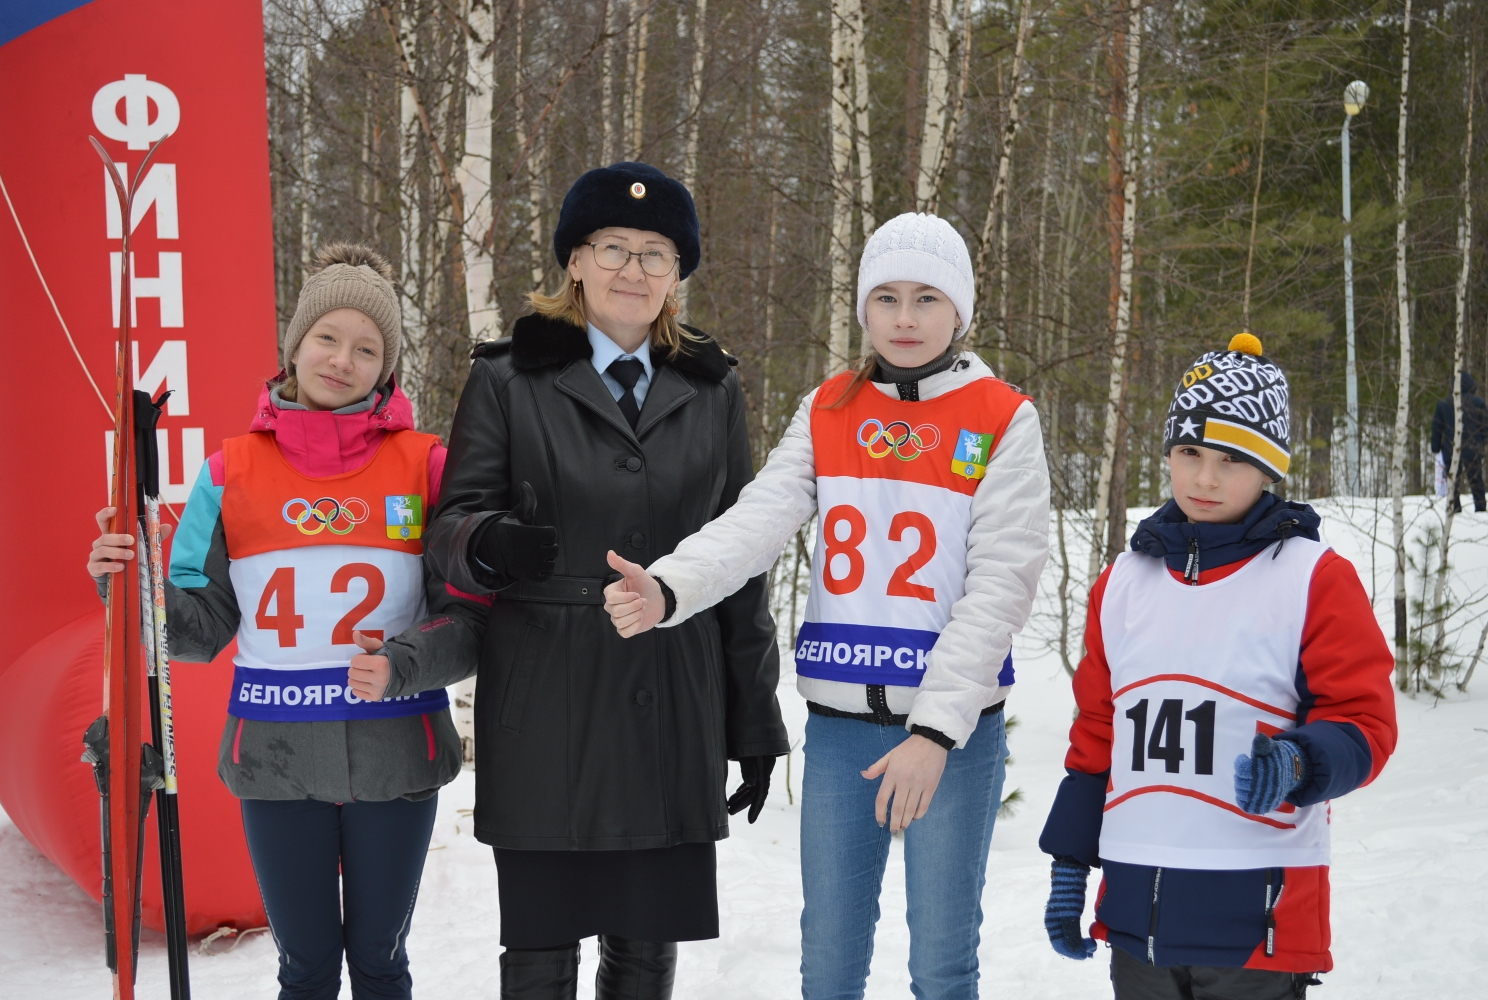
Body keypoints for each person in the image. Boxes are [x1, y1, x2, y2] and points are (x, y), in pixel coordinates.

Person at [604, 212, 1052, 1000]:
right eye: (885, 298)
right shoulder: (828, 409)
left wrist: (935, 730)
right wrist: (670, 584)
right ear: (863, 308)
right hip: (843, 733)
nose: (905, 319)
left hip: (951, 740)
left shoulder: (1001, 417)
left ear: (961, 312)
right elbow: (757, 519)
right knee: (829, 964)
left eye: (926, 299)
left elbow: (999, 588)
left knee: (943, 968)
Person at [404, 161, 789, 1000]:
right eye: (613, 246)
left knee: (647, 943)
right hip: (549, 695)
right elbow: (450, 529)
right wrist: (494, 541)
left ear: (677, 274)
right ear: (574, 262)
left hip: (670, 695)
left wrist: (753, 716)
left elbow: (741, 557)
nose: (634, 269)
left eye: (657, 253)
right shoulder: (507, 379)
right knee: (540, 944)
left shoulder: (711, 387)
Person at [88, 244, 484, 1000]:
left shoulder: (428, 465)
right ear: (295, 344)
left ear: (387, 366)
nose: (342, 360)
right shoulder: (228, 471)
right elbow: (198, 630)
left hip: (396, 756)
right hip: (275, 761)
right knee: (304, 970)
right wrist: (130, 587)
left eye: (367, 348)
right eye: (327, 338)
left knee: (379, 961)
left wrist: (402, 662)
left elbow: (467, 622)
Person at [1037, 333, 1399, 999]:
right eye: (1190, 452)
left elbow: (1364, 722)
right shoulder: (1121, 583)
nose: (1205, 477)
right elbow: (1098, 736)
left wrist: (1298, 761)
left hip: (1255, 923)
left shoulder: (1313, 578)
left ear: (1269, 471)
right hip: (1136, 924)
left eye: (1232, 460)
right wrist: (1069, 864)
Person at [1429, 371, 1487, 513]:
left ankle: (1455, 508)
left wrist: (1435, 448)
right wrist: (1482, 443)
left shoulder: (1443, 404)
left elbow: (1437, 428)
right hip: (1474, 448)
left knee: (1453, 480)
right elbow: (1485, 426)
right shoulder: (1478, 402)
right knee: (1476, 479)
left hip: (1451, 448)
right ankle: (1480, 508)